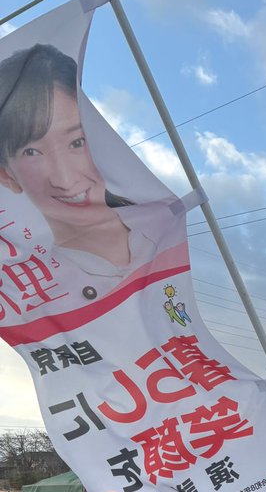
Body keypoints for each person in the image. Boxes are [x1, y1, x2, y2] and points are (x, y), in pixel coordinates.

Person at [0, 42, 164, 303]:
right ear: (6, 175)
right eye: (31, 152)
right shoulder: (37, 299)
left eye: (77, 142)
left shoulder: (164, 230)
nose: (65, 180)